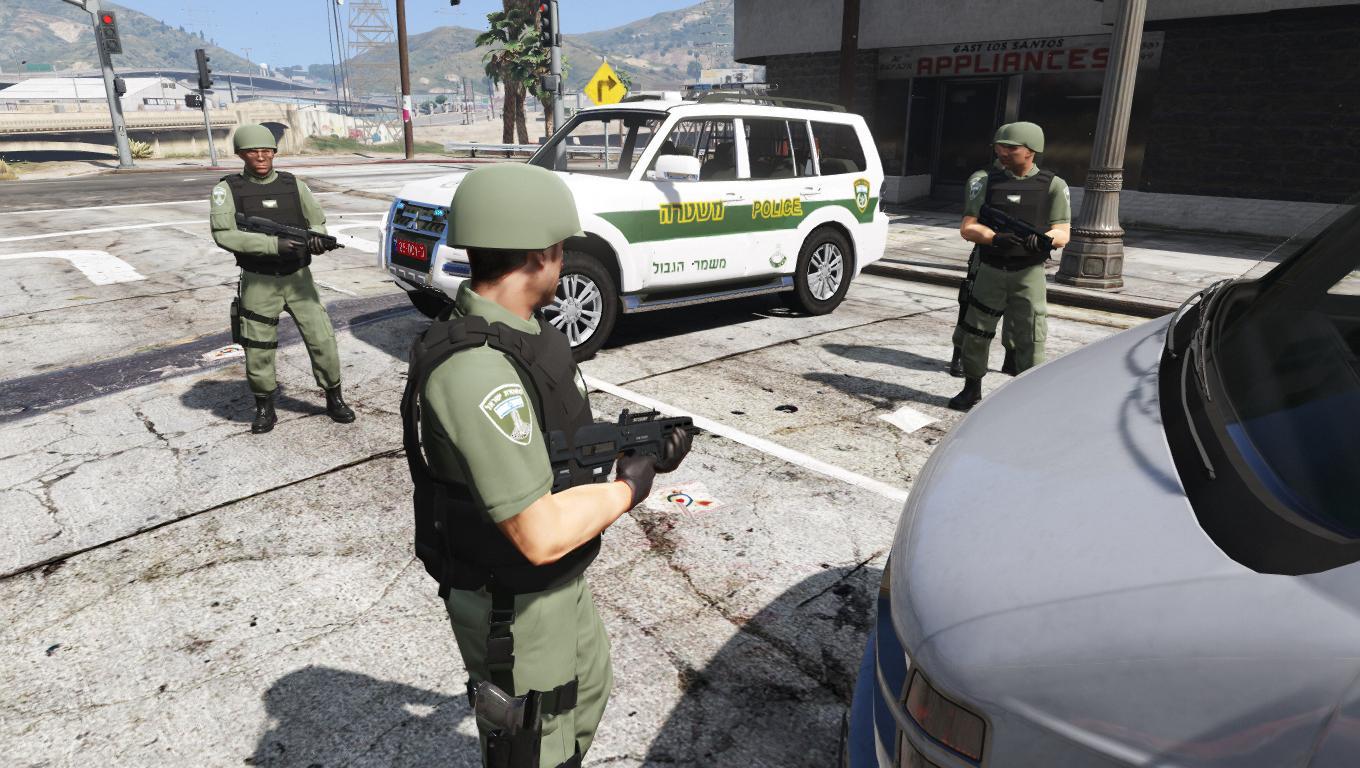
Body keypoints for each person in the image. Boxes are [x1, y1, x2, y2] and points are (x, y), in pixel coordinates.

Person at [400, 163, 692, 768]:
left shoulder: (525, 334)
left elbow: (554, 442)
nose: (565, 260)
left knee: (583, 701)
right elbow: (536, 532)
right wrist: (629, 487)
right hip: (512, 600)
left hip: (558, 583)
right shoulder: (476, 370)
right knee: (534, 742)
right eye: (562, 248)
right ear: (541, 255)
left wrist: (630, 444)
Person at [210, 124, 354, 433]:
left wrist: (317, 240)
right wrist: (271, 245)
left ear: (274, 153)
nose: (261, 157)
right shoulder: (227, 189)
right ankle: (264, 407)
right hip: (259, 281)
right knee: (258, 346)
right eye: (253, 152)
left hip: (299, 278)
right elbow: (224, 234)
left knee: (322, 338)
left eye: (267, 151)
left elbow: (317, 221)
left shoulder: (293, 185)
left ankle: (334, 397)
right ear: (241, 154)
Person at [949, 122, 1071, 411]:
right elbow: (968, 227)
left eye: (1010, 148)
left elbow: (1063, 231)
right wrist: (993, 237)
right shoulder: (984, 180)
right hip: (990, 268)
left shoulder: (1053, 185)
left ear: (1031, 151)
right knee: (976, 330)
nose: (1002, 152)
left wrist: (1044, 240)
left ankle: (1028, 395)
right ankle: (972, 388)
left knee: (1031, 333)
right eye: (999, 147)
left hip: (1029, 272)